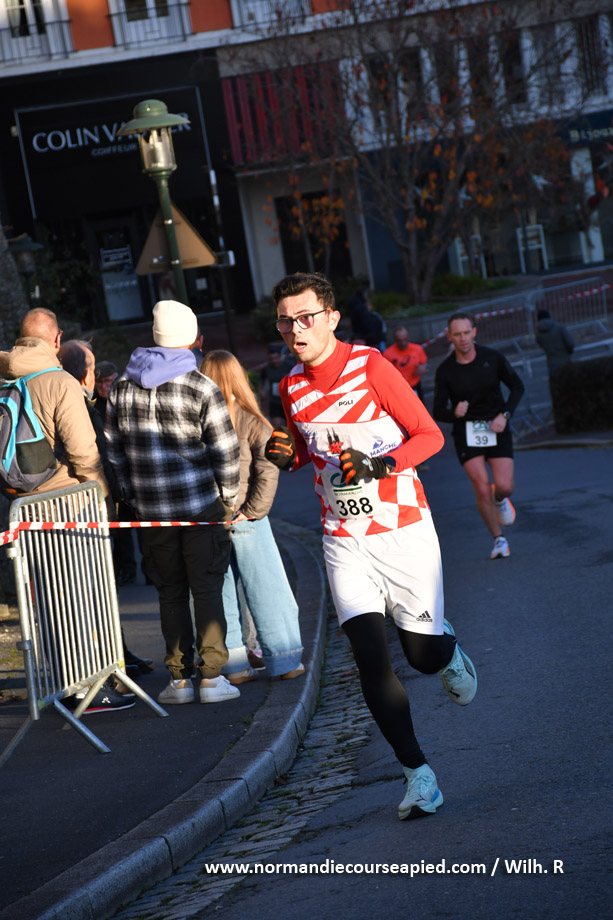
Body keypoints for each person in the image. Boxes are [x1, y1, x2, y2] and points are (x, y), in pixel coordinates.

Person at [264, 272, 477, 821]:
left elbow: (429, 435)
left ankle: (446, 647)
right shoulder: (290, 386)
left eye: (305, 318)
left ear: (332, 318)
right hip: (343, 539)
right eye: (285, 321)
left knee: (421, 657)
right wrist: (289, 456)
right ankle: (417, 774)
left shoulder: (372, 367)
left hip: (403, 530)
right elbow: (309, 450)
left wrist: (380, 465)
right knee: (369, 660)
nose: (295, 330)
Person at [105, 300, 242, 705]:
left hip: (150, 512)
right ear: (192, 338)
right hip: (201, 506)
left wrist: (133, 495)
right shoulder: (201, 386)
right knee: (207, 587)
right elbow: (226, 451)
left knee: (170, 592)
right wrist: (228, 498)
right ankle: (212, 677)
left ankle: (179, 680)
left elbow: (113, 452)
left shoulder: (121, 388)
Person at [201, 350, 304, 682]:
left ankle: (233, 665)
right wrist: (253, 511)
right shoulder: (253, 420)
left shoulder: (196, 419)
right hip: (247, 517)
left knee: (221, 594)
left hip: (210, 516)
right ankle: (285, 661)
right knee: (268, 590)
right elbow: (268, 471)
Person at [58, 339, 153, 681]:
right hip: (89, 508)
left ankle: (119, 654)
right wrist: (109, 499)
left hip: (89, 506)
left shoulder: (79, 401)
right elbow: (93, 458)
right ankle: (112, 661)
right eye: (93, 368)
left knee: (103, 589)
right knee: (98, 591)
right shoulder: (78, 405)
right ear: (86, 375)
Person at [432, 312, 525, 560]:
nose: (463, 338)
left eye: (466, 332)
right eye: (457, 334)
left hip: (496, 426)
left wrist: (504, 415)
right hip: (466, 432)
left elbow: (517, 387)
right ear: (450, 337)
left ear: (474, 332)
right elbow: (438, 410)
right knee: (481, 488)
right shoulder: (445, 370)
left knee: (504, 486)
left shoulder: (492, 358)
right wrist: (454, 412)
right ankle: (499, 539)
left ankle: (500, 498)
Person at [383, 326, 428, 401]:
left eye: (405, 339)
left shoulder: (417, 349)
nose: (403, 343)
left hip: (415, 385)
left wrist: (423, 368)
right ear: (395, 339)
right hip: (399, 388)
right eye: (399, 340)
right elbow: (385, 373)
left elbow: (424, 363)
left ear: (408, 337)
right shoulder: (388, 354)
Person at [259, 345, 293, 428]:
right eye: (271, 359)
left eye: (276, 358)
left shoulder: (289, 366)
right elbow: (261, 378)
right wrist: (261, 390)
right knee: (276, 424)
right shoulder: (267, 368)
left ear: (281, 356)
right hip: (275, 401)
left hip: (289, 400)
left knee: (291, 425)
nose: (274, 361)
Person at [347, 282, 386, 350]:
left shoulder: (355, 305)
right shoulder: (365, 311)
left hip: (364, 337)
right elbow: (369, 324)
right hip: (370, 338)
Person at [535, 309, 574, 376]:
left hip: (552, 363)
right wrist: (569, 352)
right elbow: (570, 343)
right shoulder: (559, 327)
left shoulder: (539, 334)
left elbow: (542, 345)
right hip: (565, 360)